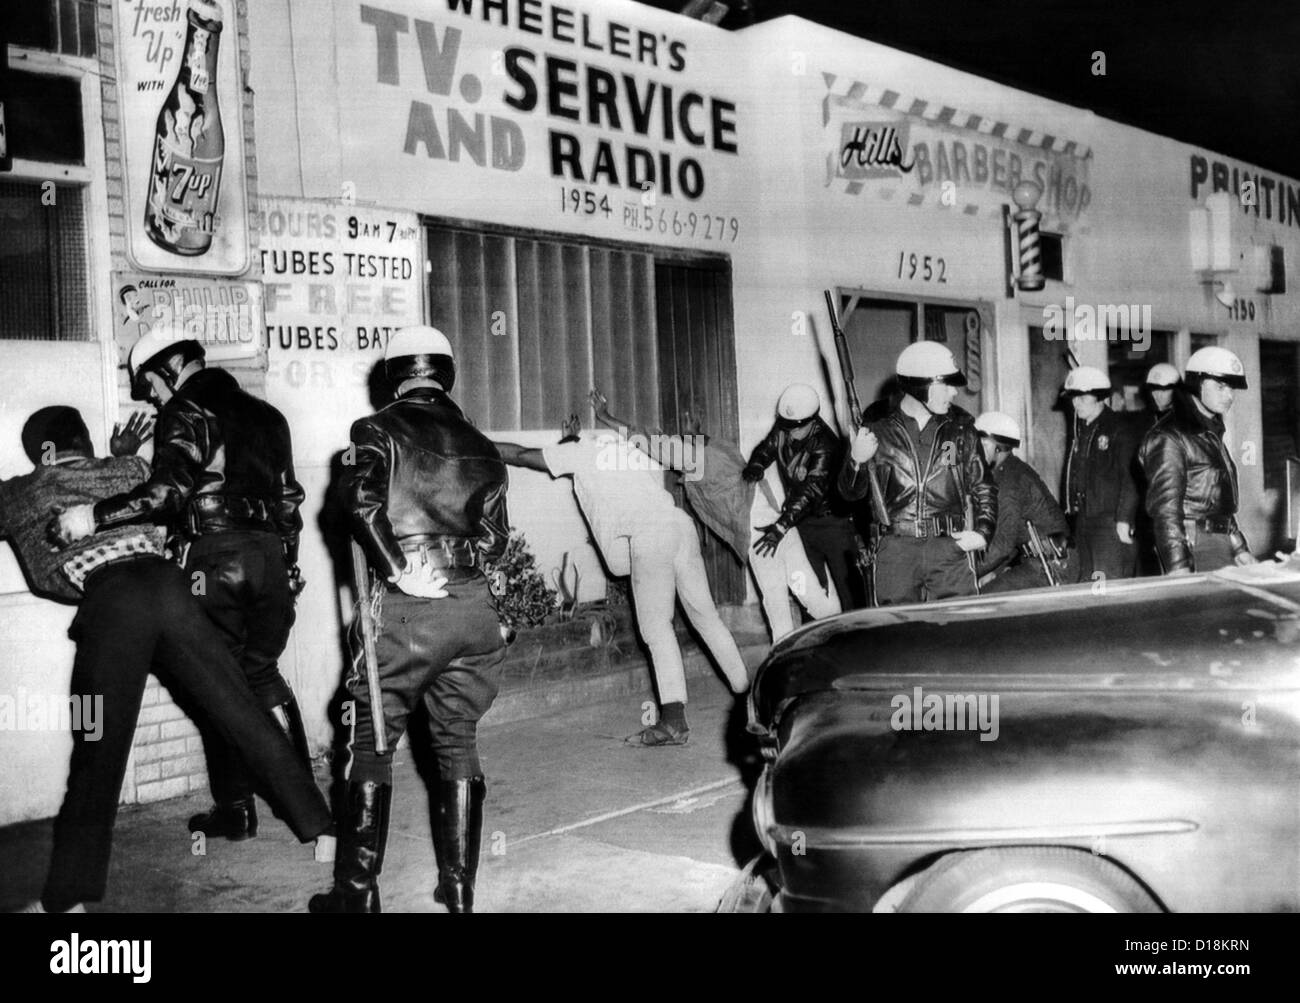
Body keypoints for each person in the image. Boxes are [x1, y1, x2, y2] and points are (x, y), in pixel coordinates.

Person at [1, 407, 331, 913]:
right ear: (84, 440)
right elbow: (135, 487)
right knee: (240, 710)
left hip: (114, 603)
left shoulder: (24, 491)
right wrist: (123, 456)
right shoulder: (128, 471)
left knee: (97, 750)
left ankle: (68, 899)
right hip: (172, 590)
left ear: (39, 451)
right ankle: (324, 830)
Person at [53, 324, 314, 843]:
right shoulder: (268, 415)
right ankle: (306, 799)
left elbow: (169, 493)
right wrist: (287, 564)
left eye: (150, 385)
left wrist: (92, 516)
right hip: (267, 560)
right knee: (261, 675)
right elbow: (288, 501)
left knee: (214, 685)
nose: (152, 397)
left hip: (213, 558)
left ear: (166, 370)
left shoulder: (186, 410)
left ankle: (238, 811)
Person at [309, 326, 511, 915]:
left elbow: (355, 501)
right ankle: (458, 892)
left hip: (408, 610)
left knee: (370, 745)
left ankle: (355, 897)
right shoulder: (482, 444)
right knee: (456, 741)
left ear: (395, 376)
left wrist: (399, 569)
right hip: (472, 611)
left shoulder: (375, 430)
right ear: (444, 375)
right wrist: (457, 570)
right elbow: (496, 539)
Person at [495, 415, 750, 746]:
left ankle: (673, 722)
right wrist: (572, 439)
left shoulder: (575, 453)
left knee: (656, 630)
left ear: (566, 447)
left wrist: (473, 439)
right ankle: (752, 699)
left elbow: (519, 454)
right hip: (679, 525)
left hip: (650, 536)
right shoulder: (617, 449)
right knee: (707, 619)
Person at [589, 390, 838, 642]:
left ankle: (786, 665)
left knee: (777, 609)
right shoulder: (721, 449)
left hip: (763, 539)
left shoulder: (694, 460)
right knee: (813, 598)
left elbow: (641, 439)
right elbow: (688, 444)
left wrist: (606, 417)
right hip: (782, 529)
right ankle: (847, 636)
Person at [838, 342, 996, 605]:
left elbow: (984, 486)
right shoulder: (877, 429)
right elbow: (849, 495)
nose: (954, 392)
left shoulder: (960, 429)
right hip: (895, 550)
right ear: (920, 385)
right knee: (897, 636)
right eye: (945, 384)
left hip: (948, 547)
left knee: (960, 631)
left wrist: (982, 532)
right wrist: (856, 460)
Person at [743, 383, 863, 610]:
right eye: (786, 426)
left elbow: (810, 492)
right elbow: (766, 449)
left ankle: (857, 642)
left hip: (833, 524)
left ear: (813, 421)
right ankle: (816, 641)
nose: (790, 433)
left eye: (797, 428)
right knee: (810, 592)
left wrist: (780, 527)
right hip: (802, 522)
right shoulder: (784, 429)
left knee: (849, 593)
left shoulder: (826, 445)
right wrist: (756, 465)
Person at [1139, 347, 1256, 574]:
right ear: (1196, 384)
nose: (1229, 396)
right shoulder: (1170, 436)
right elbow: (1165, 510)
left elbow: (1216, 500)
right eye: (1221, 387)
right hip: (1192, 543)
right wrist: (1178, 565)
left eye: (1231, 388)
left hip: (1217, 539)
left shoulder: (1210, 431)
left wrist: (1239, 547)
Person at [973, 412, 1079, 592]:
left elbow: (1003, 544)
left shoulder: (1009, 481)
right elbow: (1012, 535)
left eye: (983, 444)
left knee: (985, 597)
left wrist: (965, 572)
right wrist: (991, 571)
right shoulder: (1009, 471)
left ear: (1000, 447)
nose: (976, 451)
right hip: (1044, 561)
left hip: (1050, 566)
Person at [1060, 365, 1141, 582]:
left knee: (1109, 584)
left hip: (1109, 521)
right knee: (1087, 584)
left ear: (1098, 397)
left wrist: (1124, 521)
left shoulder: (1118, 428)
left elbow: (1130, 479)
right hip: (1084, 520)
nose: (1076, 403)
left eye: (1082, 397)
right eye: (1073, 398)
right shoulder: (1083, 430)